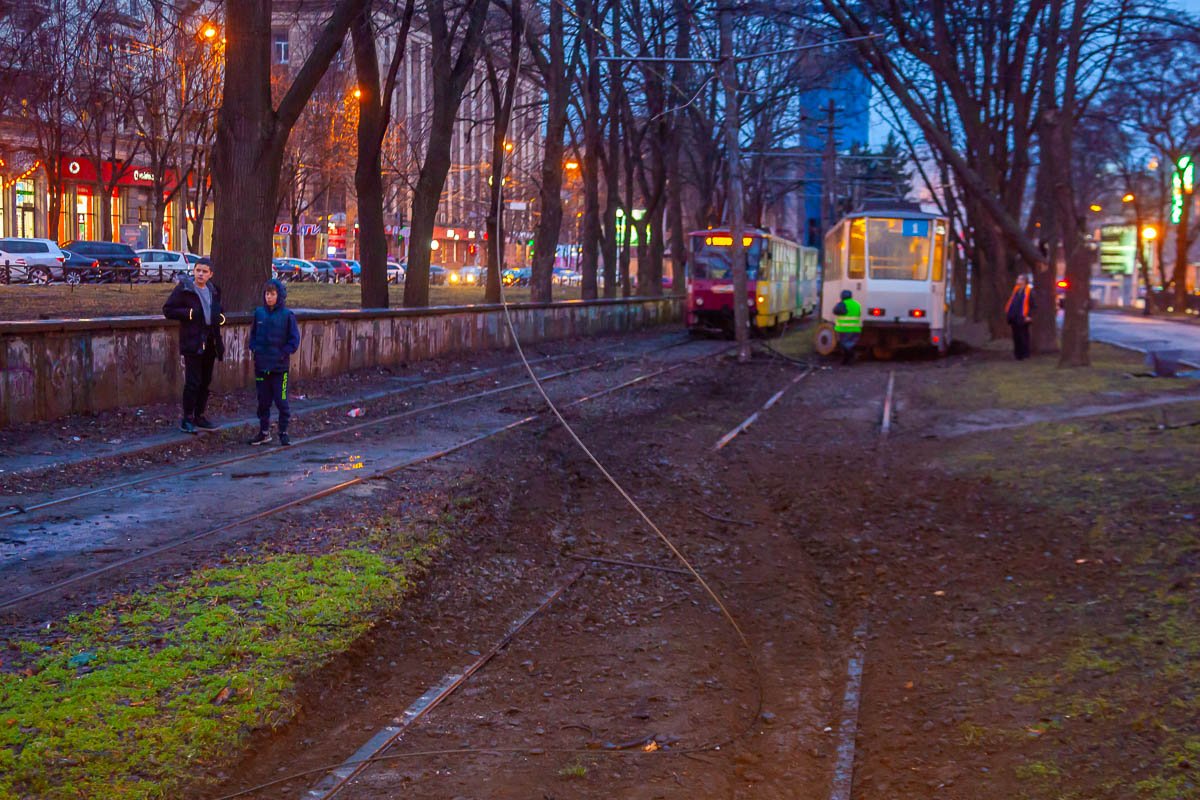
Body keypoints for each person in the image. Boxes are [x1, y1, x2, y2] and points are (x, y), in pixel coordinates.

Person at [163, 261, 226, 434]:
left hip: (211, 340)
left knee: (205, 381)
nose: (200, 274)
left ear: (210, 274)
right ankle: (187, 418)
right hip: (193, 341)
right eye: (198, 270)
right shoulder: (185, 289)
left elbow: (219, 310)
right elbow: (168, 309)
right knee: (193, 382)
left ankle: (199, 415)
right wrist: (188, 314)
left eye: (204, 271)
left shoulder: (214, 291)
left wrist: (219, 317)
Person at [248, 278, 301, 446]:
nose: (269, 297)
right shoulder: (259, 313)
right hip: (262, 366)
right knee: (263, 401)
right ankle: (264, 432)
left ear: (279, 295)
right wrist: (254, 348)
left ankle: (283, 432)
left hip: (279, 368)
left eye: (272, 294)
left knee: (281, 400)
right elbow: (253, 335)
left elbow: (294, 340)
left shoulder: (287, 316)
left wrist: (283, 353)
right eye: (267, 294)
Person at [1005, 274, 1035, 361]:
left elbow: (1033, 305)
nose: (1017, 280)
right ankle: (1017, 355)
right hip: (1014, 317)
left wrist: (1029, 316)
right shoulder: (1016, 291)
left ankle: (1025, 354)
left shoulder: (1029, 291)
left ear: (1024, 281)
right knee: (1016, 336)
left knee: (1023, 336)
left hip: (1023, 317)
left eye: (1019, 279)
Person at [832, 289, 862, 364]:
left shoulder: (843, 304)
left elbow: (835, 311)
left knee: (844, 345)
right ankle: (847, 361)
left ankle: (852, 357)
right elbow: (858, 314)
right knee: (850, 345)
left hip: (844, 329)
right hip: (855, 329)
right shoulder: (857, 304)